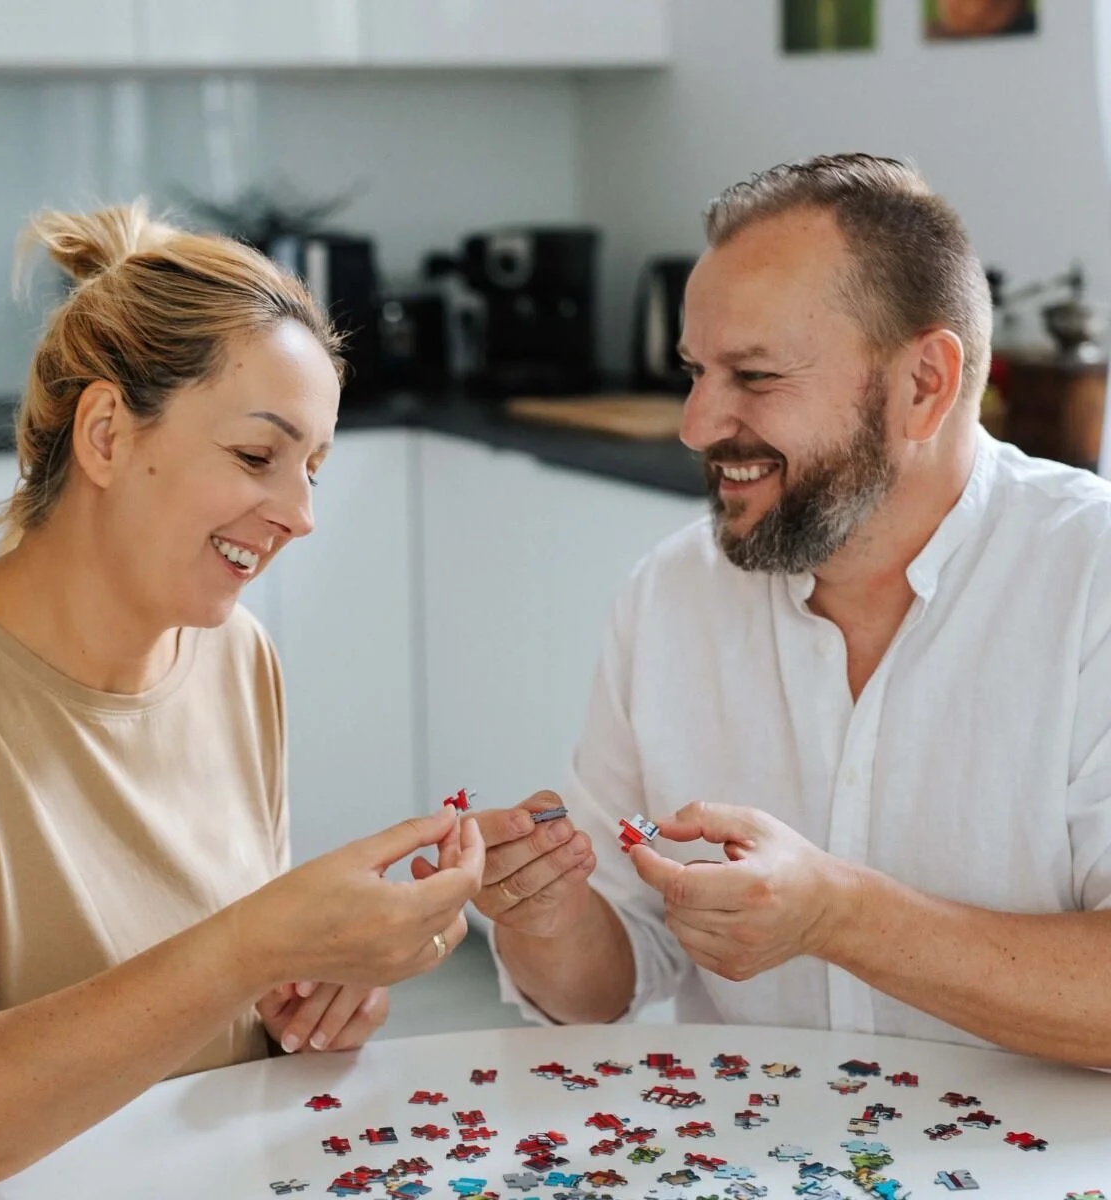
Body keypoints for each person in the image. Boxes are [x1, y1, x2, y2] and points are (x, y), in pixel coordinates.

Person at [460, 153, 1111, 1068]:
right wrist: (546, 915)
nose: (695, 424)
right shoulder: (670, 596)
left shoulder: (1092, 581)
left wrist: (840, 916)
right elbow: (604, 983)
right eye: (694, 372)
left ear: (923, 383)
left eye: (755, 377)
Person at [0, 202, 484, 1199]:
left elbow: (210, 1022)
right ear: (104, 434)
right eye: (259, 457)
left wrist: (308, 993)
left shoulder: (236, 661)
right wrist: (254, 945)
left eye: (314, 469)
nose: (302, 516)